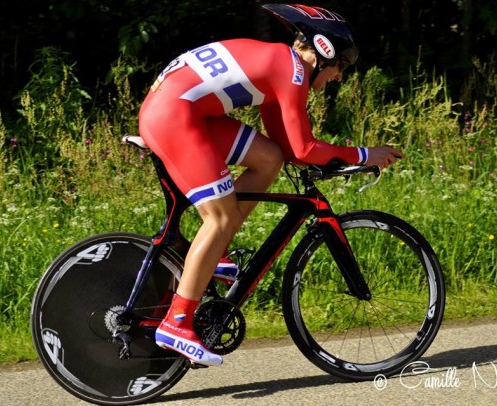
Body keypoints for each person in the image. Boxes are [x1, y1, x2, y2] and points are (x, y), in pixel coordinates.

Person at [138, 3, 403, 366]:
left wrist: (332, 157)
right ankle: (177, 322)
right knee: (219, 219)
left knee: (268, 158)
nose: (339, 76)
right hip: (175, 116)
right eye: (341, 65)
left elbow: (286, 150)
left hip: (180, 111)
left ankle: (213, 254)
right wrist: (364, 154)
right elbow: (304, 148)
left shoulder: (279, 64)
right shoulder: (292, 70)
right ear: (324, 51)